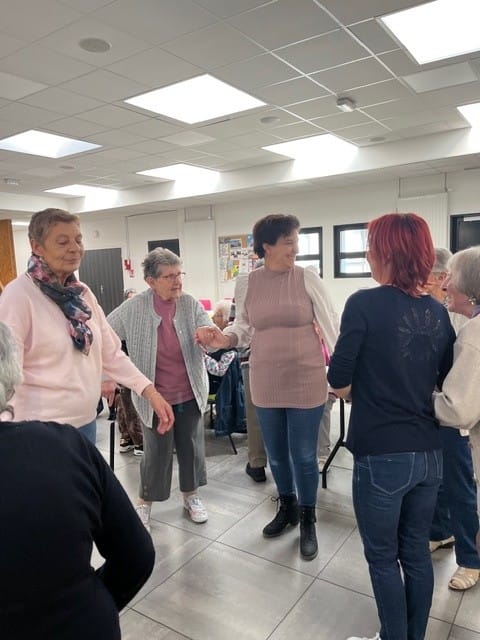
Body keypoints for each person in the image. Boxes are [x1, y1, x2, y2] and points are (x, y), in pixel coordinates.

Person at [327, 213, 455, 640]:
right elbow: (443, 379)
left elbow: (338, 378)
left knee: (382, 558)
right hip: (429, 452)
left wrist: (364, 387)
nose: (367, 255)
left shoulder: (363, 304)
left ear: (387, 253)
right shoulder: (438, 312)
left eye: (371, 247)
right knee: (416, 553)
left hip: (382, 452)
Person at [0, 321, 155, 640]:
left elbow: (112, 351)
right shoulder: (67, 447)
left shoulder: (85, 303)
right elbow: (136, 556)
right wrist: (85, 607)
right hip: (84, 626)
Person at [196, 214, 338, 561]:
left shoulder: (307, 277)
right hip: (265, 377)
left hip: (306, 376)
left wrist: (342, 376)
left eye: (296, 241)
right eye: (289, 242)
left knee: (304, 455)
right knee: (275, 454)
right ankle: (287, 507)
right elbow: (243, 328)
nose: (295, 248)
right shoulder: (249, 282)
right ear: (267, 246)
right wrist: (223, 338)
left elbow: (331, 326)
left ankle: (308, 519)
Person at [0, 208, 173, 446]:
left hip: (85, 423)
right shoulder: (18, 297)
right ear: (36, 246)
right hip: (40, 432)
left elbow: (111, 353)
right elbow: (5, 376)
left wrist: (149, 391)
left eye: (78, 240)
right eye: (63, 242)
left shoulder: (81, 295)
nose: (75, 248)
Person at [107, 247, 214, 531]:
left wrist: (209, 335)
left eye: (179, 274)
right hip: (153, 397)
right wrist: (109, 375)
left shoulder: (189, 303)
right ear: (151, 281)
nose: (177, 281)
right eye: (169, 276)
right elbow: (104, 334)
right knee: (156, 452)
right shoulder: (134, 308)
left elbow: (208, 329)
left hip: (189, 392)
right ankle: (144, 501)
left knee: (191, 447)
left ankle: (191, 497)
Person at [426, 248, 480, 591]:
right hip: (446, 412)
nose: (444, 286)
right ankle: (440, 531)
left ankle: (471, 559)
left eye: (448, 278)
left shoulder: (471, 328)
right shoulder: (436, 311)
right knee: (441, 480)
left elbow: (459, 405)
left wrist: (417, 399)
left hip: (458, 416)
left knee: (460, 486)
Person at [231, 260, 269, 483]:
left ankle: (257, 463)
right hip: (278, 359)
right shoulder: (287, 289)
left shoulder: (245, 286)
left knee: (255, 413)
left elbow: (236, 325)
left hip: (251, 357)